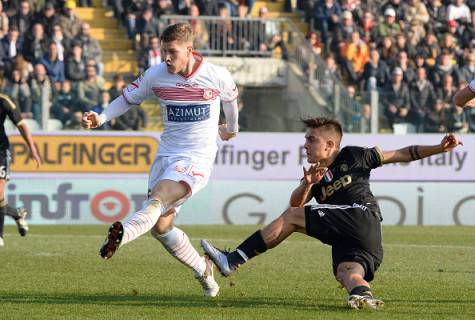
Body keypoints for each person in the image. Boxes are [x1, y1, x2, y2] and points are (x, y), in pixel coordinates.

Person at [201, 117, 462, 309]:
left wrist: (439, 148)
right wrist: (308, 183)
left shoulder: (354, 155)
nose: (305, 144)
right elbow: (295, 204)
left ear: (329, 144)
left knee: (292, 218)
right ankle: (362, 296)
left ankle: (233, 259)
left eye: (310, 139)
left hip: (360, 215)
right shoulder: (316, 175)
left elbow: (403, 153)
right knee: (347, 272)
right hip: (362, 237)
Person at [81, 23, 239, 297]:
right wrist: (101, 117)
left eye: (172, 52)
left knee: (160, 196)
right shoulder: (156, 75)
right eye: (163, 51)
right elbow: (127, 99)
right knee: (161, 227)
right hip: (166, 155)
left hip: (198, 156)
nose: (166, 58)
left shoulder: (216, 75)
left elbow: (231, 102)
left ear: (190, 50)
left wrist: (231, 129)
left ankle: (123, 234)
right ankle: (204, 271)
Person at [0, 93, 42, 247]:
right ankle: (16, 213)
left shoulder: (4, 101)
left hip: (1, 152)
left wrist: (32, 149)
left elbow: (22, 125)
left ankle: (0, 236)